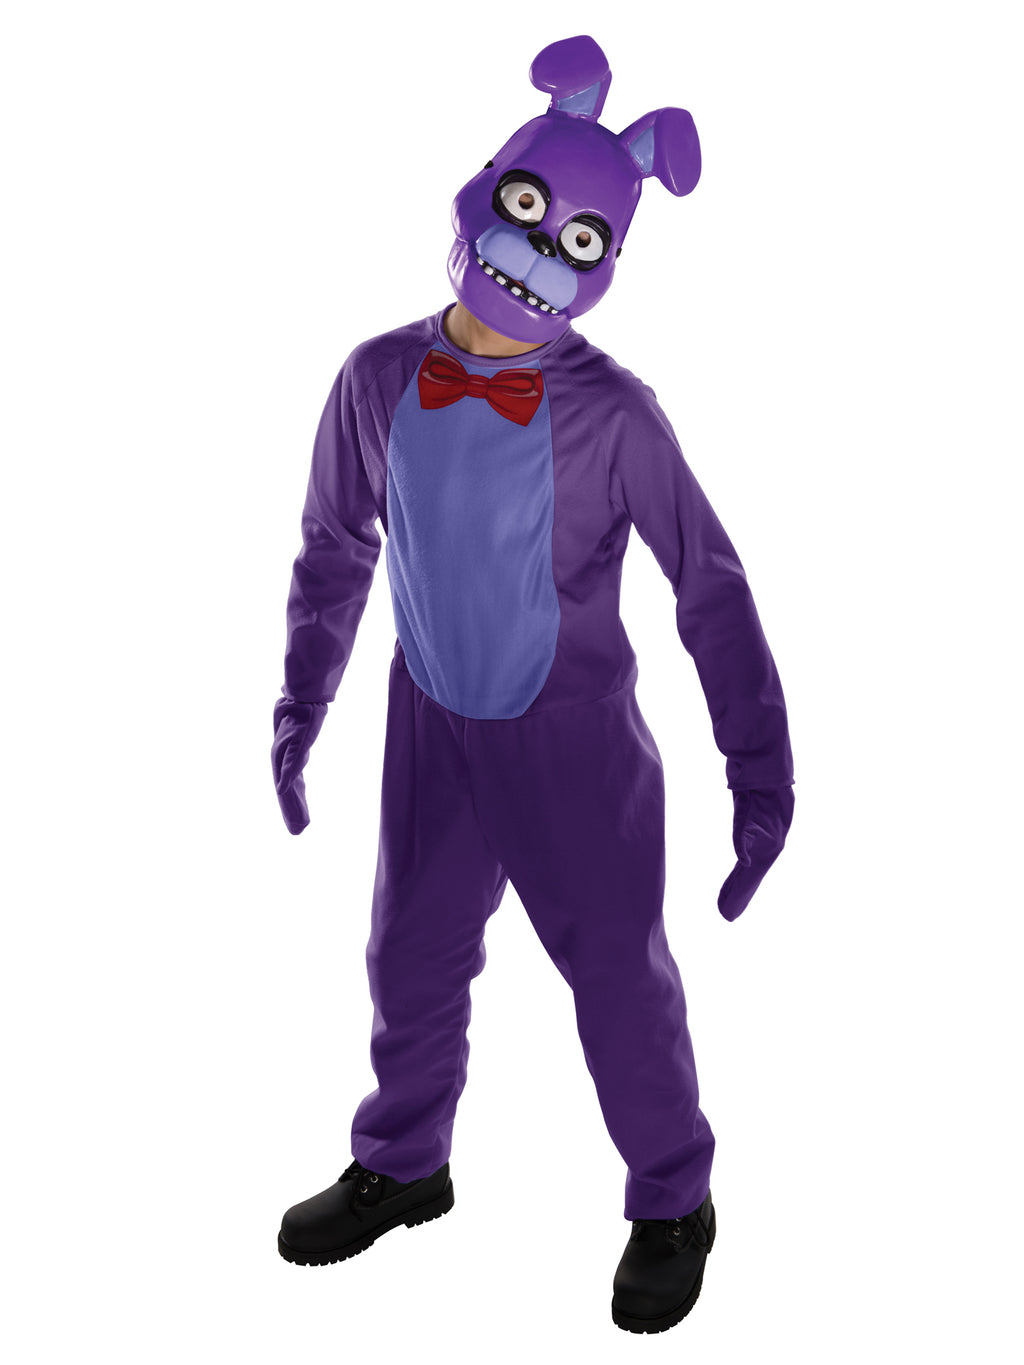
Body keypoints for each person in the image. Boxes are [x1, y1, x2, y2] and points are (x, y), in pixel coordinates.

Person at [271, 35, 794, 1334]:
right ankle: (405, 1161)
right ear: (483, 184)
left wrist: (760, 774)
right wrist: (301, 706)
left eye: (579, 238)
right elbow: (334, 548)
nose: (539, 251)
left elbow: (710, 586)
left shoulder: (616, 417)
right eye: (526, 207)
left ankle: (674, 1198)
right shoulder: (376, 377)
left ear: (608, 261)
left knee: (615, 973)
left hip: (576, 750)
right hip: (429, 719)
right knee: (409, 954)